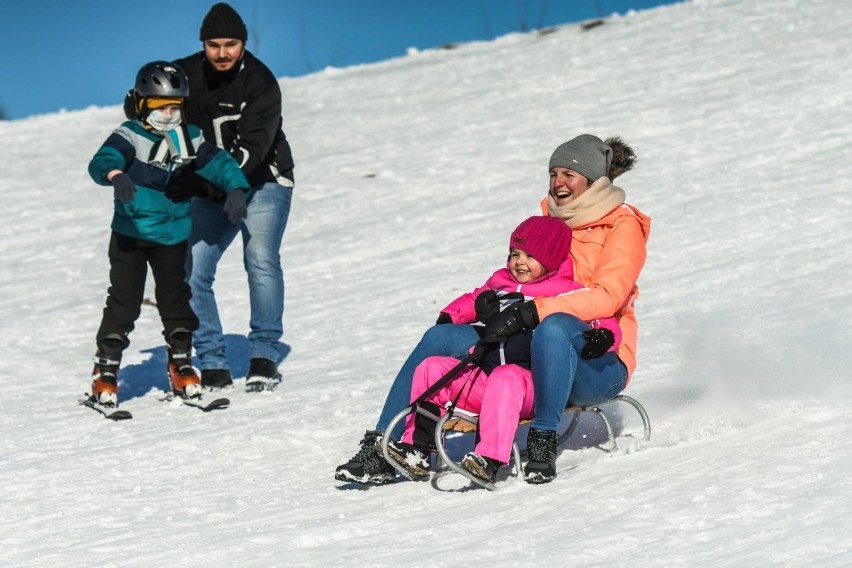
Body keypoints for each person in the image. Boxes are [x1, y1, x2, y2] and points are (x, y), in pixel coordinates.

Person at [335, 134, 649, 485]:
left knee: (555, 327)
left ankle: (542, 439)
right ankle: (383, 447)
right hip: (527, 347)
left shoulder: (621, 226)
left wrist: (534, 312)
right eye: (553, 174)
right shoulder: (549, 221)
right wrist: (467, 311)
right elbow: (511, 281)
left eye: (568, 175)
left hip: (596, 356)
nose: (558, 183)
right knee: (440, 337)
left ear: (592, 181)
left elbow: (608, 295)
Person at [380, 216, 620, 485]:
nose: (519, 261)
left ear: (550, 261)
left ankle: (490, 456)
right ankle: (418, 449)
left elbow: (598, 315)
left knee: (505, 376)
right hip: (486, 378)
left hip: (529, 386)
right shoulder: (500, 282)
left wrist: (602, 335)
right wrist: (452, 314)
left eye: (530, 256)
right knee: (431, 368)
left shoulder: (565, 292)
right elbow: (474, 298)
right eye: (515, 254)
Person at [87, 61, 250, 408]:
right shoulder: (130, 134)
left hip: (174, 234)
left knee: (177, 299)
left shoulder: (188, 136)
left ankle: (181, 365)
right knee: (125, 300)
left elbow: (218, 162)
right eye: (161, 107)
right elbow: (103, 158)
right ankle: (106, 371)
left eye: (175, 106)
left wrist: (236, 187)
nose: (169, 114)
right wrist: (116, 174)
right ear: (144, 105)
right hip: (131, 234)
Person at [170, 2, 296, 392]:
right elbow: (147, 99)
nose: (222, 53)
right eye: (213, 44)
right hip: (209, 190)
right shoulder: (185, 74)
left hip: (261, 184)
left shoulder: (261, 83)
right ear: (202, 44)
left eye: (231, 44)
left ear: (243, 43)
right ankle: (212, 360)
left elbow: (252, 152)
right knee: (193, 267)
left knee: (259, 258)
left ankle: (263, 354)